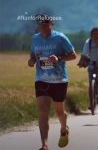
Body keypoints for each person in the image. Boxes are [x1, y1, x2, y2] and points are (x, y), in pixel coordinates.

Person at [28, 14, 76, 150]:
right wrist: (31, 61)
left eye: (46, 22)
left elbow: (73, 55)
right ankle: (44, 145)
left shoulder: (60, 37)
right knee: (43, 110)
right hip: (41, 79)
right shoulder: (35, 39)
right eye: (40, 23)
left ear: (51, 24)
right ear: (37, 25)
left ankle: (63, 128)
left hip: (59, 80)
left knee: (59, 112)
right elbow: (32, 55)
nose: (43, 25)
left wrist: (59, 58)